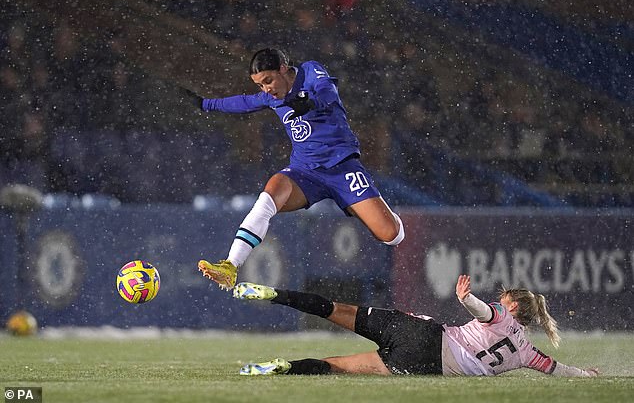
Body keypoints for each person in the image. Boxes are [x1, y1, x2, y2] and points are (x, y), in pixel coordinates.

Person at [187, 48, 404, 290]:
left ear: (283, 68)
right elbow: (245, 102)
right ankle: (230, 265)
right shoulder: (272, 97)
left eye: (268, 80)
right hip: (305, 173)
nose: (266, 89)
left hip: (342, 168)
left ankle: (363, 206)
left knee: (392, 235)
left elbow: (328, 93)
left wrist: (310, 102)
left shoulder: (310, 70)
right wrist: (205, 104)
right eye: (260, 85)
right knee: (270, 194)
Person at [231, 275, 599, 377]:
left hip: (419, 332)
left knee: (331, 309)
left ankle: (274, 294)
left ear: (513, 306)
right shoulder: (527, 353)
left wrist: (465, 299)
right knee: (336, 366)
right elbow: (557, 369)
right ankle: (283, 368)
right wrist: (586, 374)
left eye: (504, 298)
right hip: (424, 365)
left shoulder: (501, 315)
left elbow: (485, 313)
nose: (499, 300)